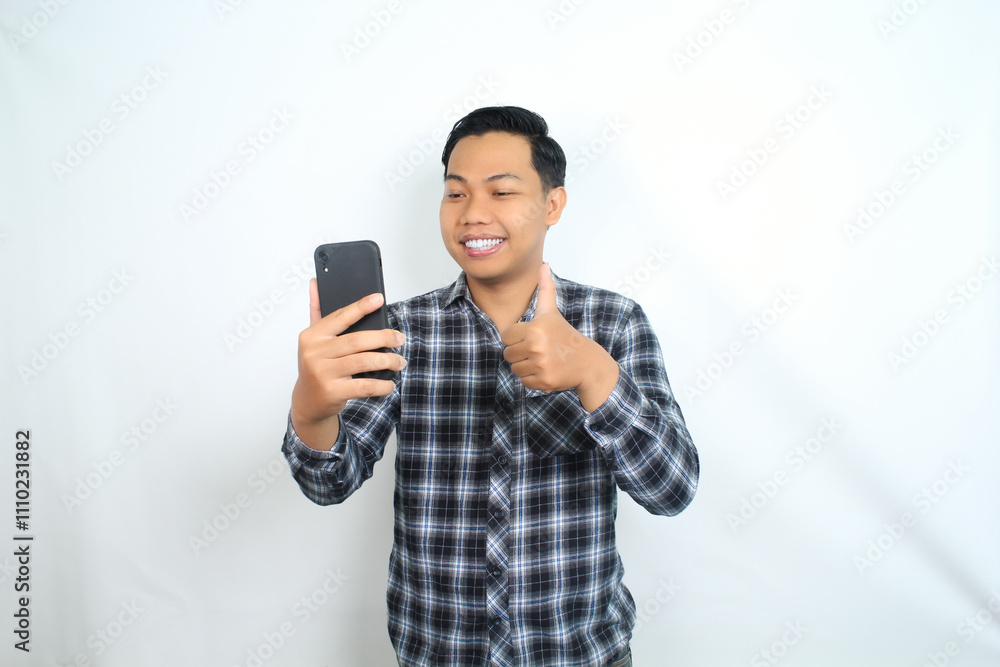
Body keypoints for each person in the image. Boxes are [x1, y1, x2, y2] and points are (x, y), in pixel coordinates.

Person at [282, 106, 699, 667]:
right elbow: (328, 483)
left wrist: (594, 373)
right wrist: (311, 413)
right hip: (438, 654)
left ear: (553, 204)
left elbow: (671, 489)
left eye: (501, 192)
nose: (473, 214)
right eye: (455, 194)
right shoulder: (403, 331)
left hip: (580, 654)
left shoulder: (613, 322)